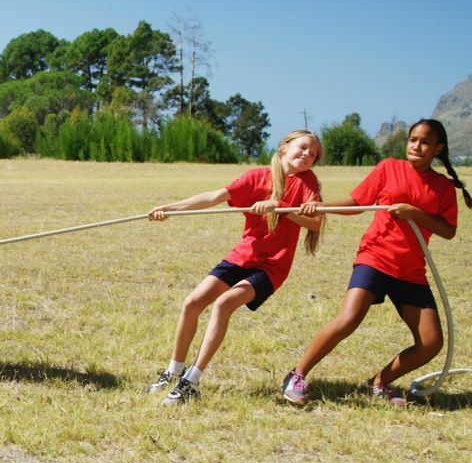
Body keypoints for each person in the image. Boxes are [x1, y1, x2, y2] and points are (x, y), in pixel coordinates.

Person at [282, 119, 471, 406]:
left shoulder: (443, 188)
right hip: (375, 259)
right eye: (412, 140)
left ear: (438, 149)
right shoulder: (389, 168)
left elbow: (448, 231)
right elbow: (357, 204)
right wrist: (322, 206)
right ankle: (296, 375)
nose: (416, 146)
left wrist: (415, 213)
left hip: (411, 272)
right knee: (348, 320)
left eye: (425, 142)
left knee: (431, 343)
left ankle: (378, 383)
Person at [146, 130, 325, 405]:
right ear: (284, 147)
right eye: (302, 148)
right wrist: (170, 209)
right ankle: (174, 370)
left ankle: (191, 381)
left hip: (271, 267)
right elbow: (215, 196)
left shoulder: (307, 182)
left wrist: (280, 206)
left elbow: (316, 223)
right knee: (192, 303)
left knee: (224, 304)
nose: (307, 155)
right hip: (243, 256)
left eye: (313, 154)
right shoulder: (257, 176)